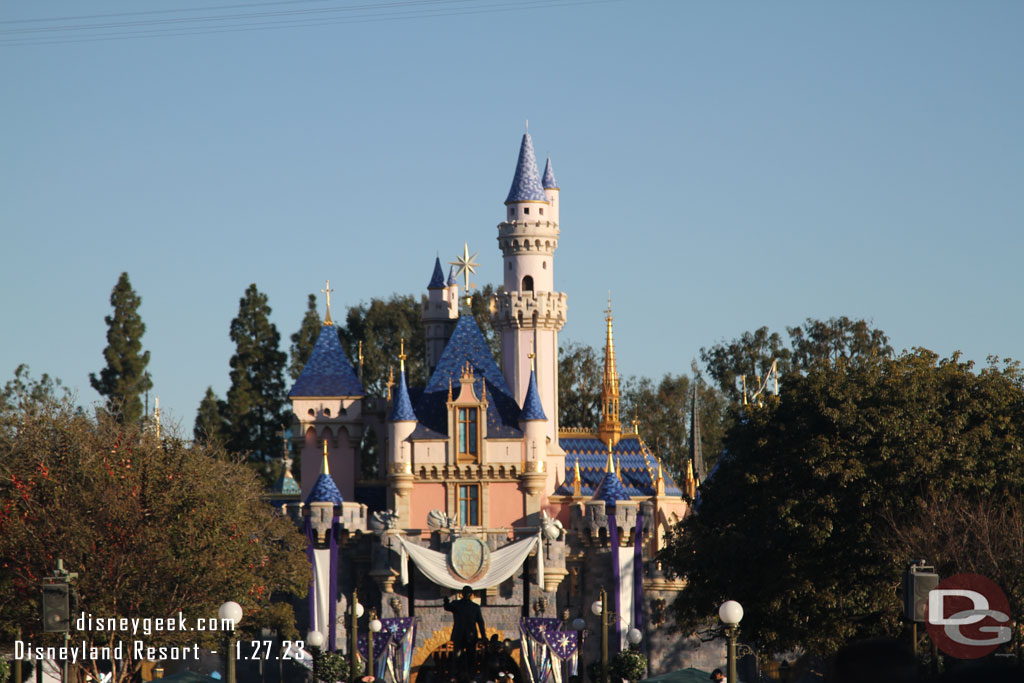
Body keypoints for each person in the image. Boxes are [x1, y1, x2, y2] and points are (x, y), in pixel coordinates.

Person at [444, 585, 487, 679]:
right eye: (465, 592)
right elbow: (448, 607)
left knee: (471, 657)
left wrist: (484, 635)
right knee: (457, 656)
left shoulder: (475, 607)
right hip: (459, 634)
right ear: (462, 594)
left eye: (469, 593)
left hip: (471, 635)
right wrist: (446, 602)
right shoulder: (456, 604)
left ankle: (472, 676)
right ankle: (455, 675)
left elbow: (480, 622)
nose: (467, 594)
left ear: (471, 594)